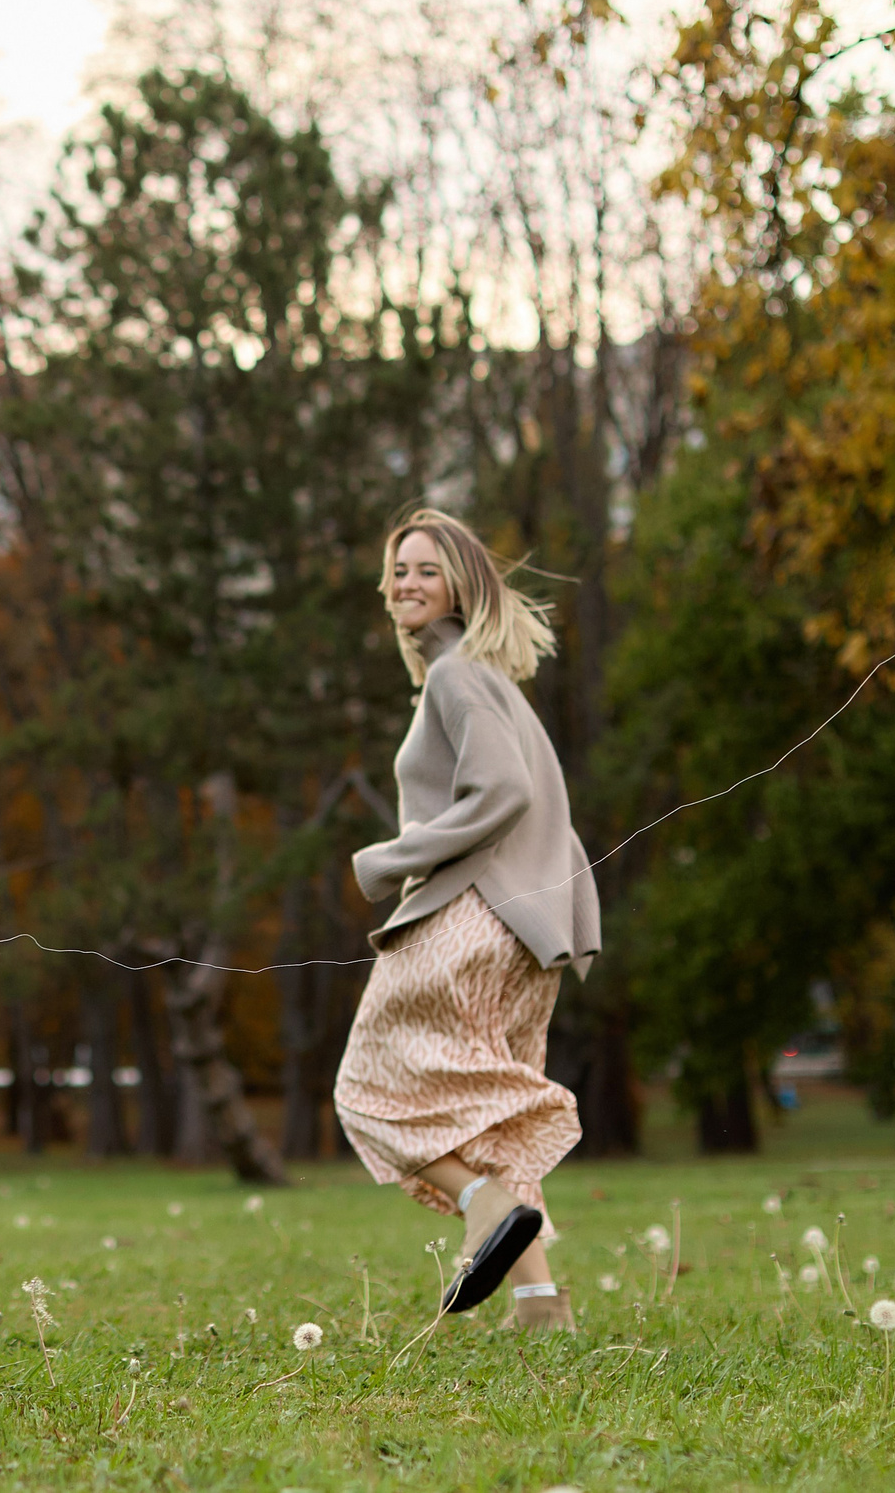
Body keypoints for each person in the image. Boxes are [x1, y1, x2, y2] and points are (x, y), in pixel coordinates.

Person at [333, 508, 600, 1331]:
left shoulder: (457, 675)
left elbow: (504, 794)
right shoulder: (484, 676)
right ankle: (538, 1301)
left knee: (367, 1088)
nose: (406, 584)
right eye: (398, 571)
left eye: (425, 570)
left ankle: (482, 1201)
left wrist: (394, 856)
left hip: (474, 916)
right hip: (528, 932)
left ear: (463, 584)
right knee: (486, 1113)